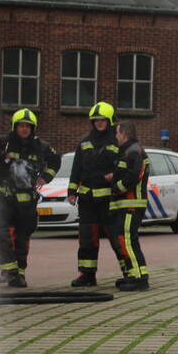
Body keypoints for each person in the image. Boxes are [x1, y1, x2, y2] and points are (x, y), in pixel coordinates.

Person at [0, 109, 60, 287]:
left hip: (26, 204)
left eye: (28, 126)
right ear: (15, 127)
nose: (24, 129)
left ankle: (19, 273)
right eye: (21, 126)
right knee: (1, 233)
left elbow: (55, 161)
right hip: (4, 199)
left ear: (33, 128)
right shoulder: (4, 143)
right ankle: (9, 270)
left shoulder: (41, 146)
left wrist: (45, 177)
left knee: (22, 238)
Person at [68, 102, 119, 287]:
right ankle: (86, 274)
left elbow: (123, 168)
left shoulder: (116, 141)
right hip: (87, 200)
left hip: (108, 200)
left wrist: (115, 177)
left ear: (110, 121)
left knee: (116, 237)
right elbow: (76, 168)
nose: (99, 123)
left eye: (102, 120)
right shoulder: (84, 142)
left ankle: (129, 272)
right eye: (96, 120)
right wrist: (71, 191)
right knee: (87, 239)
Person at [106, 121, 150, 291]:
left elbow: (135, 174)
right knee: (128, 240)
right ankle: (134, 273)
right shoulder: (129, 151)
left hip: (131, 205)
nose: (116, 136)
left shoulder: (134, 151)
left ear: (123, 133)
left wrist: (117, 188)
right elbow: (127, 172)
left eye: (117, 133)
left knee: (126, 239)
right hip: (125, 205)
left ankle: (139, 278)